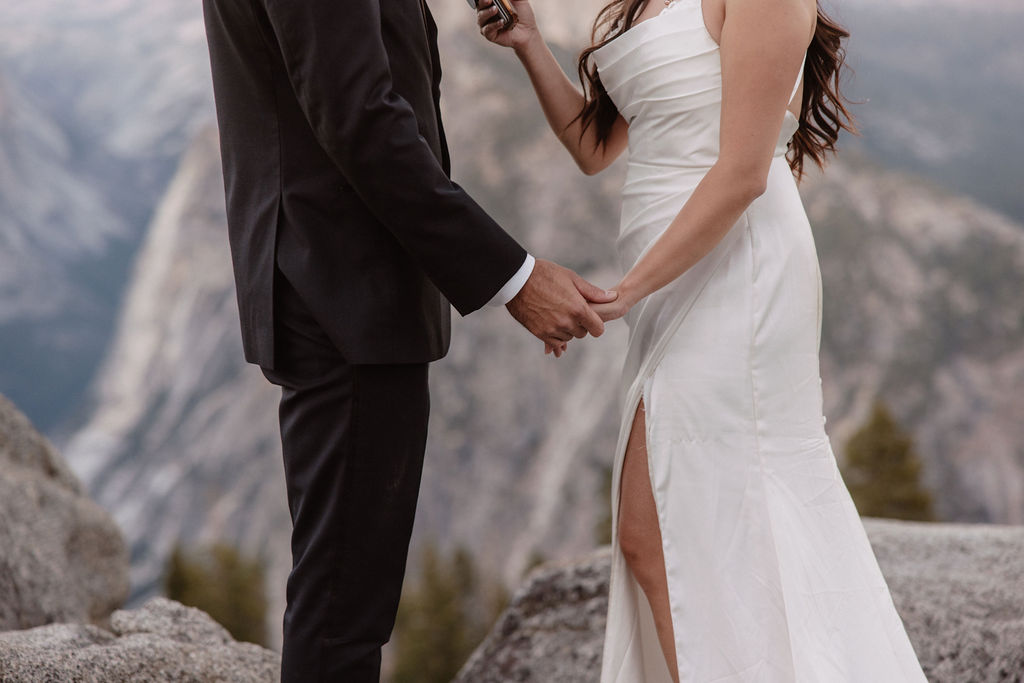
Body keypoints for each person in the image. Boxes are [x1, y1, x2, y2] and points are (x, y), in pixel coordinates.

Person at [477, 0, 930, 680]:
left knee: (661, 534)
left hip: (737, 274)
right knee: (658, 535)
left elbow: (743, 174)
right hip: (670, 280)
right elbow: (594, 148)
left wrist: (627, 288)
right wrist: (530, 45)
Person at [201, 0, 617, 680]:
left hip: (337, 284)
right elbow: (359, 116)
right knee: (343, 611)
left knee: (347, 597)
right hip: (341, 292)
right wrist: (516, 277)